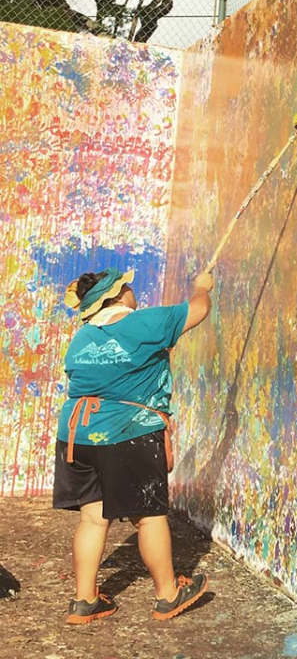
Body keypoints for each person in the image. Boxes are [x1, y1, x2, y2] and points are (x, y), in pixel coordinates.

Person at [52, 265, 214, 624]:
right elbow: (199, 309)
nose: (133, 291)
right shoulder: (145, 323)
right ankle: (168, 594)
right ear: (117, 295)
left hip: (77, 434)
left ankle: (84, 600)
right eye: (127, 286)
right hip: (127, 432)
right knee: (148, 516)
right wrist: (202, 286)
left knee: (93, 518)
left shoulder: (83, 336)